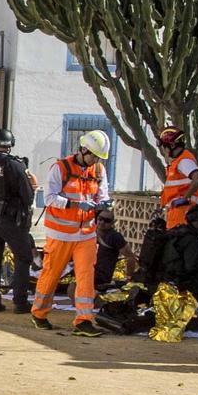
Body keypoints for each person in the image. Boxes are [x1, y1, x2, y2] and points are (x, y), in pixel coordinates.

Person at [32, 130, 111, 333]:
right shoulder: (60, 168)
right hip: (60, 234)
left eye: (98, 157)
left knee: (86, 276)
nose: (95, 160)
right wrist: (75, 204)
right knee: (52, 274)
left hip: (86, 233)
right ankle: (39, 313)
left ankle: (84, 320)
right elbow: (49, 198)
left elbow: (103, 195)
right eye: (93, 155)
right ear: (83, 149)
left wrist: (102, 204)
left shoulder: (99, 170)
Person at [0, 127, 36, 315]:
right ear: (11, 144)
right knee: (23, 257)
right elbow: (27, 195)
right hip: (10, 218)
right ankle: (20, 302)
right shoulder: (16, 165)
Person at [148, 202, 198, 341]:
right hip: (178, 283)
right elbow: (190, 267)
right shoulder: (191, 240)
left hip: (162, 279)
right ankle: (196, 312)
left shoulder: (176, 231)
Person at [156, 124, 198, 230]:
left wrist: (184, 198)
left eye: (164, 147)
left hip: (182, 216)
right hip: (178, 216)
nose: (164, 151)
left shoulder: (183, 161)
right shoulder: (178, 162)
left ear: (172, 145)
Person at [93, 204, 129, 293]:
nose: (102, 222)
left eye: (107, 220)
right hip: (85, 271)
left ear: (112, 223)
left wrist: (129, 278)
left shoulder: (115, 237)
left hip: (101, 278)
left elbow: (130, 257)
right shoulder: (90, 232)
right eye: (100, 218)